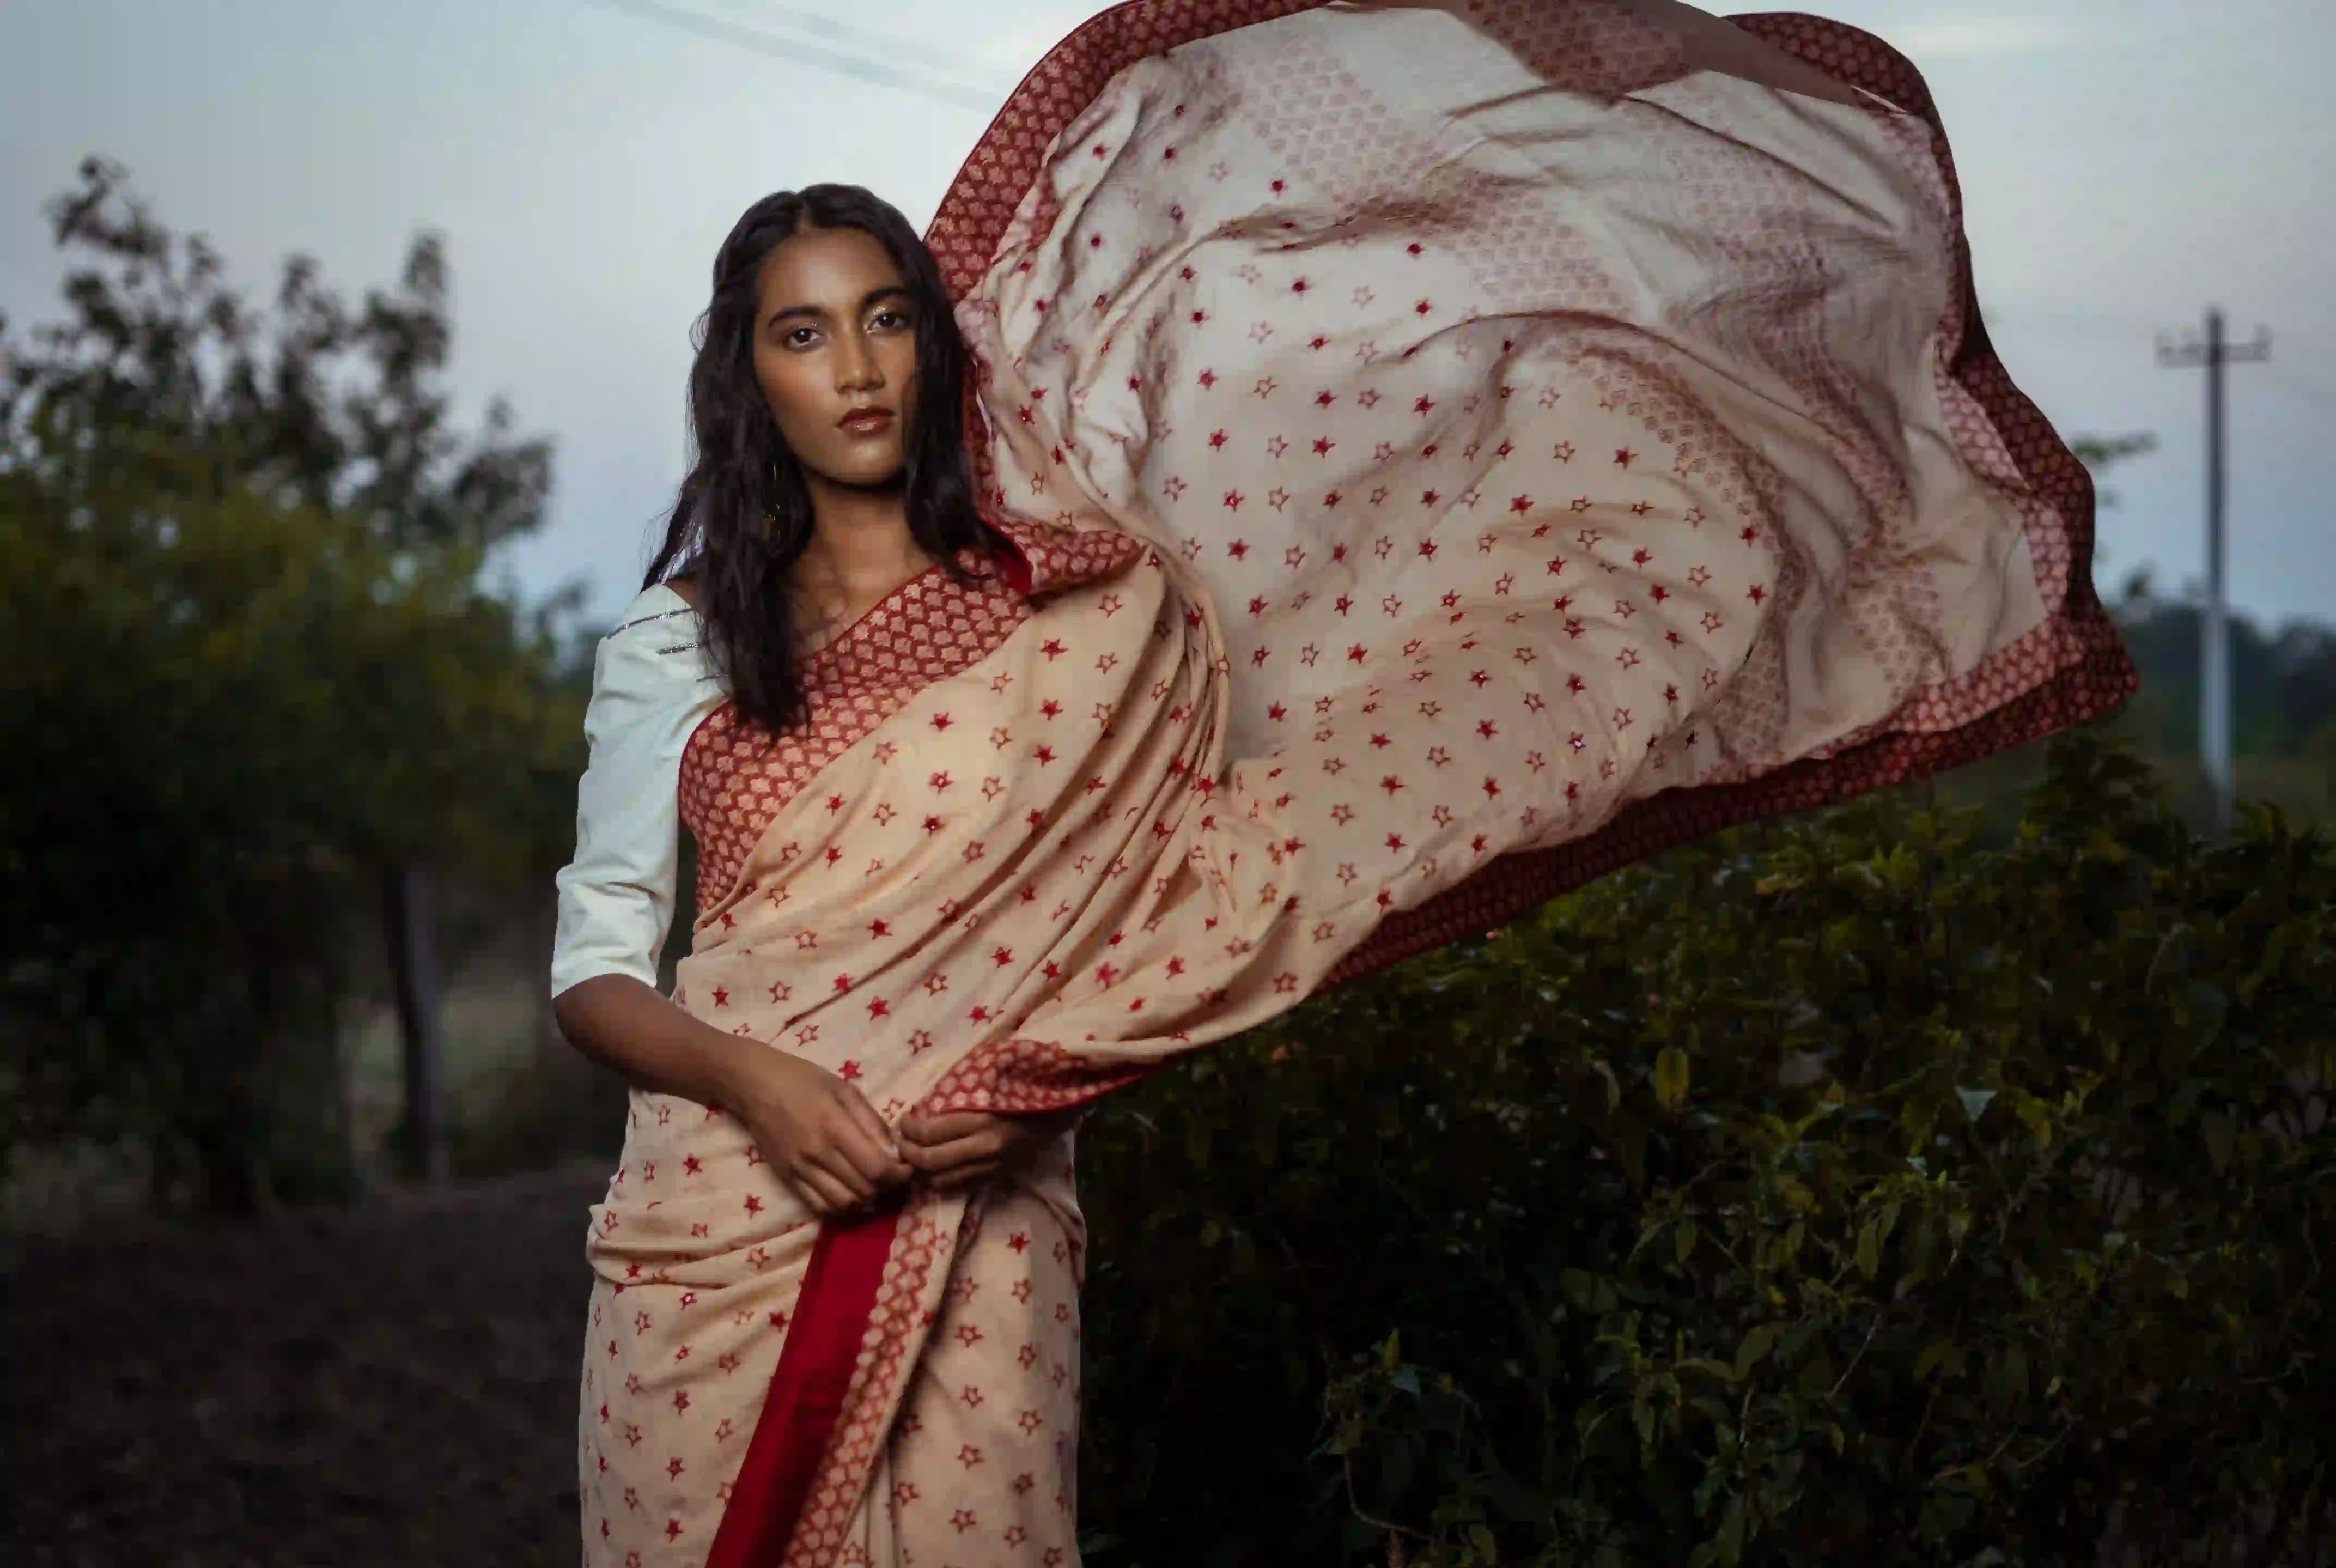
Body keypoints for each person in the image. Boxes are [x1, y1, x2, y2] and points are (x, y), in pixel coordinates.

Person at [550, 1, 2133, 1563]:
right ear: (748, 377)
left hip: (989, 1190)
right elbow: (594, 971)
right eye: (804, 332)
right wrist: (765, 1090)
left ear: (934, 336)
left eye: (888, 314)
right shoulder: (675, 644)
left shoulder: (1084, 617)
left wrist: (1045, 1084)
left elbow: (1202, 898)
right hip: (714, 1234)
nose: (858, 367)